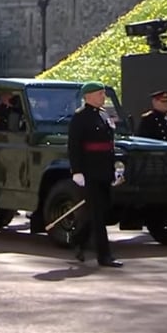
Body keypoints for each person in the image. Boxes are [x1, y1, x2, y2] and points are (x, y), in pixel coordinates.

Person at [68, 81, 122, 268]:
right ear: (88, 96)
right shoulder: (80, 117)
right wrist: (77, 171)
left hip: (104, 169)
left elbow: (109, 144)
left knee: (101, 211)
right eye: (100, 94)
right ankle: (104, 256)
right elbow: (74, 146)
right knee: (98, 214)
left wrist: (114, 169)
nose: (103, 97)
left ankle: (78, 239)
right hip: (90, 171)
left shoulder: (103, 115)